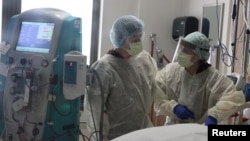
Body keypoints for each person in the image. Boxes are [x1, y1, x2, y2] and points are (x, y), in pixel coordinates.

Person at [84, 15, 158, 141]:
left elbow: (156, 88)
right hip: (117, 136)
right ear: (120, 38)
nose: (138, 42)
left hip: (143, 131)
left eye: (140, 36)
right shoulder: (104, 68)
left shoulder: (143, 59)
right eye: (133, 38)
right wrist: (99, 137)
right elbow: (95, 111)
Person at [153, 31, 246, 125]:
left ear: (197, 55)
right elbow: (156, 89)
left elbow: (232, 98)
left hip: (200, 130)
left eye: (185, 51)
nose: (180, 53)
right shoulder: (172, 71)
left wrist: (214, 115)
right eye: (181, 49)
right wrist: (173, 108)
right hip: (173, 128)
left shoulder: (214, 78)